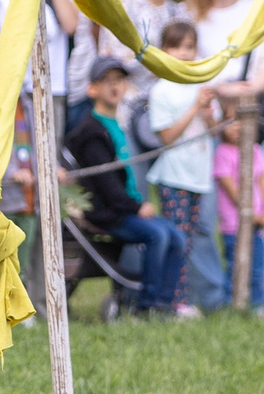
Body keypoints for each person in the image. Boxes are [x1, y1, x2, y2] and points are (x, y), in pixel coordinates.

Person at [64, 61, 184, 313]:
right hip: (108, 212)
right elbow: (106, 186)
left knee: (177, 237)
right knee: (158, 235)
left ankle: (165, 304)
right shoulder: (91, 132)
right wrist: (137, 206)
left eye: (119, 79)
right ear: (92, 90)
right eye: (107, 80)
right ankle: (146, 306)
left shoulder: (116, 125)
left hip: (123, 208)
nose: (114, 85)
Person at [144, 20, 227, 312]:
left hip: (199, 173)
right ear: (165, 51)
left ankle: (188, 297)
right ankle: (175, 301)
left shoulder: (202, 85)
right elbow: (166, 137)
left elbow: (215, 130)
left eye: (189, 46)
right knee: (178, 239)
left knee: (191, 239)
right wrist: (194, 107)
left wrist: (206, 111)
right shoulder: (161, 91)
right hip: (174, 175)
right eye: (177, 46)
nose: (184, 53)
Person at [211, 109, 264, 308]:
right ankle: (231, 304)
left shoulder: (255, 150)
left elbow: (263, 183)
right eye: (231, 122)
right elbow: (231, 188)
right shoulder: (222, 153)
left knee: (257, 267)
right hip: (233, 224)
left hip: (258, 221)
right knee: (234, 267)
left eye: (241, 121)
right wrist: (249, 212)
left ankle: (257, 305)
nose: (237, 127)